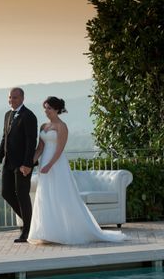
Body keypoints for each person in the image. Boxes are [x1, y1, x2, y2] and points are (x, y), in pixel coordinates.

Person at [28, 96, 126, 244]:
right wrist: (31, 163)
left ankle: (65, 231)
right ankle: (47, 232)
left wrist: (49, 165)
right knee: (45, 196)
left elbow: (59, 150)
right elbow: (40, 148)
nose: (46, 111)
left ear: (56, 109)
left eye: (48, 108)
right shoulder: (43, 127)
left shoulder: (62, 127)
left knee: (60, 196)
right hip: (44, 165)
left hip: (57, 165)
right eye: (45, 108)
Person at [0, 87, 38, 243]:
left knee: (22, 195)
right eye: (10, 97)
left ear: (22, 99)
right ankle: (31, 223)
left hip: (22, 165)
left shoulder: (29, 116)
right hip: (8, 163)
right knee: (6, 193)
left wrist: (27, 164)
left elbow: (31, 142)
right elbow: (4, 138)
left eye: (15, 97)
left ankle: (27, 231)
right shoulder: (8, 115)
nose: (11, 100)